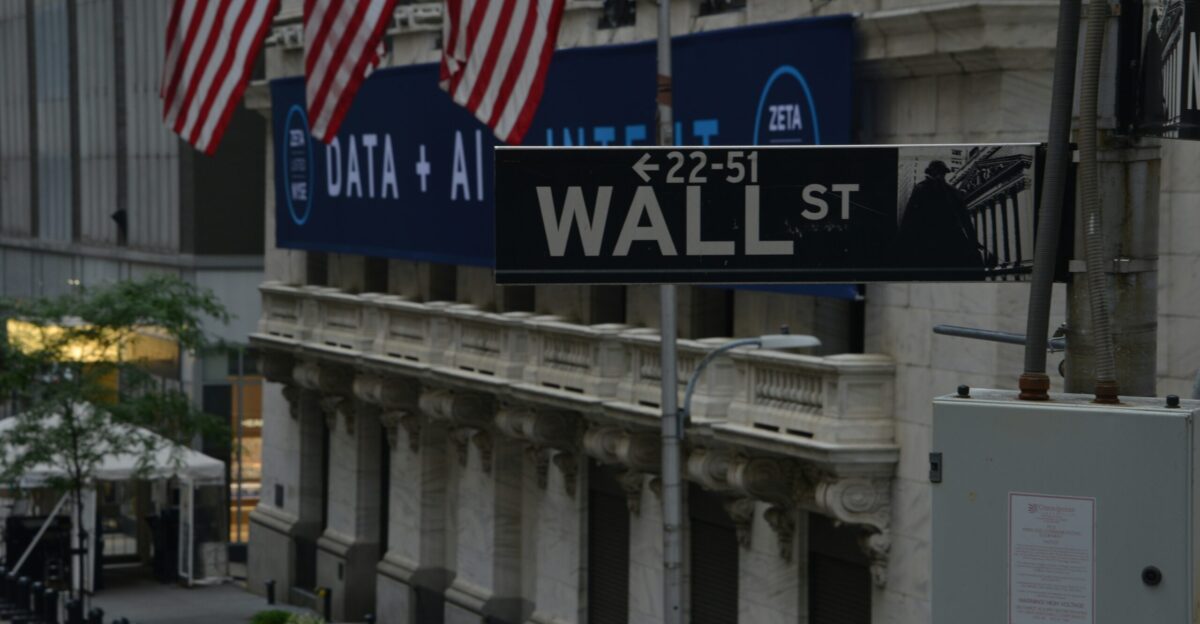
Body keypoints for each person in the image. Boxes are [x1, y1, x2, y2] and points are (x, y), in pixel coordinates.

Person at [897, 160, 986, 270]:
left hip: (944, 240)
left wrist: (973, 241)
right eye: (938, 172)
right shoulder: (923, 189)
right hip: (933, 241)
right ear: (931, 172)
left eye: (942, 173)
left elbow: (965, 218)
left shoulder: (949, 191)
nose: (940, 176)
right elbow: (910, 218)